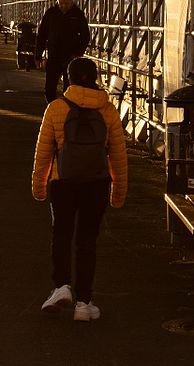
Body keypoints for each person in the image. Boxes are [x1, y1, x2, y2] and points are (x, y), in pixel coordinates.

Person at [31, 57, 127, 321]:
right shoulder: (108, 110)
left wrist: (39, 186)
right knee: (87, 242)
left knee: (61, 233)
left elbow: (43, 152)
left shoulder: (56, 108)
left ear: (68, 78)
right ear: (96, 78)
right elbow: (118, 155)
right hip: (96, 184)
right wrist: (118, 191)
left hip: (63, 182)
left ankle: (61, 286)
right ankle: (84, 303)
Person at [36, 0, 90, 103]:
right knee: (49, 87)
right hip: (54, 55)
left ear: (71, 1)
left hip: (71, 57)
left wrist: (78, 53)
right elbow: (42, 35)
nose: (64, 6)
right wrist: (38, 56)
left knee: (69, 87)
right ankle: (52, 108)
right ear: (57, 1)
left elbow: (85, 36)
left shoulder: (78, 14)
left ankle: (67, 112)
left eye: (66, 4)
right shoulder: (51, 14)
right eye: (61, 4)